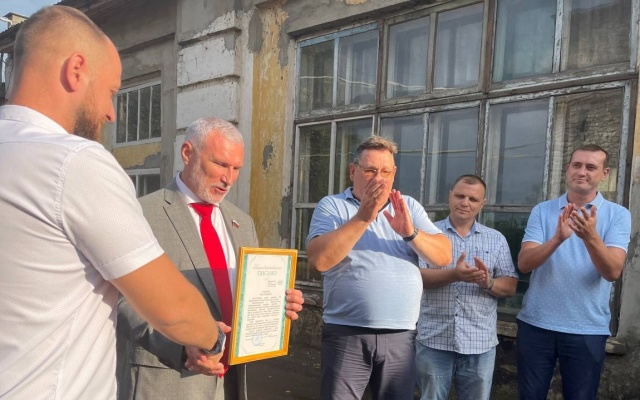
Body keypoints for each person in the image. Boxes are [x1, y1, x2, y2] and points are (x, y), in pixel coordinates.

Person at [0, 6, 225, 399]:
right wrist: (213, 339)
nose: (110, 114)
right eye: (111, 92)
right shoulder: (73, 162)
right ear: (76, 70)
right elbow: (172, 308)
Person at [116, 117, 304, 400]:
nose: (229, 179)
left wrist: (277, 304)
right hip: (166, 382)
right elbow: (123, 301)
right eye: (220, 164)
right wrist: (181, 347)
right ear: (187, 153)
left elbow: (245, 297)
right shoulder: (142, 214)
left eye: (236, 168)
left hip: (230, 383)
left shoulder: (242, 223)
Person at [305, 136, 452, 400]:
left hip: (401, 336)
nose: (379, 179)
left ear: (394, 174)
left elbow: (443, 256)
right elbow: (319, 260)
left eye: (386, 172)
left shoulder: (408, 207)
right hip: (347, 332)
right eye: (370, 170)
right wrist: (363, 217)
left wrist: (410, 233)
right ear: (353, 171)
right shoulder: (333, 206)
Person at [516, 144, 631, 400]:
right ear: (567, 169)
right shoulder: (542, 210)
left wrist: (590, 237)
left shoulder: (618, 215)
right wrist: (557, 239)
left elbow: (612, 271)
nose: (582, 171)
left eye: (591, 167)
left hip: (587, 328)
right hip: (536, 324)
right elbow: (524, 264)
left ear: (604, 173)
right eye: (577, 165)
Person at [415, 174, 518, 400]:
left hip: (479, 342)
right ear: (450, 196)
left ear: (483, 203)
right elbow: (415, 278)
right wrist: (454, 274)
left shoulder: (496, 239)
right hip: (435, 338)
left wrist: (488, 282)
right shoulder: (428, 235)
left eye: (473, 199)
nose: (465, 202)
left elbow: (510, 285)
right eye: (460, 196)